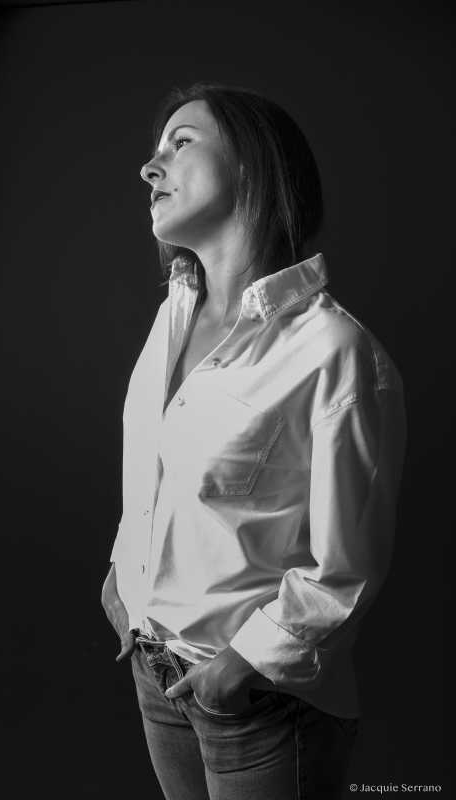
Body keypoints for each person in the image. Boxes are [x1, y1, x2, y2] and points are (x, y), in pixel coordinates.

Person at [101, 82, 407, 800]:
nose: (149, 167)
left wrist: (242, 666)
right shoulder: (172, 316)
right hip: (155, 669)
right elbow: (159, 473)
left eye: (180, 143)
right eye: (154, 150)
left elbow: (347, 564)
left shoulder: (335, 354)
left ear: (251, 165)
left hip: (257, 700)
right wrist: (123, 576)